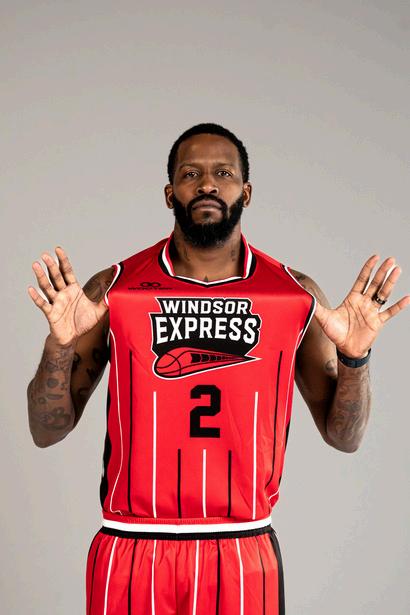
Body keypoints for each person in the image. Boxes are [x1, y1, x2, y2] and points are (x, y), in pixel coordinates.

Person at [27, 123, 409, 615]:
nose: (207, 184)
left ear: (246, 192)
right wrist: (59, 346)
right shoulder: (114, 289)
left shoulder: (293, 294)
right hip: (132, 545)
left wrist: (355, 359)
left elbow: (344, 437)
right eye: (191, 173)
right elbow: (46, 430)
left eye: (223, 173)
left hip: (242, 550)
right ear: (170, 194)